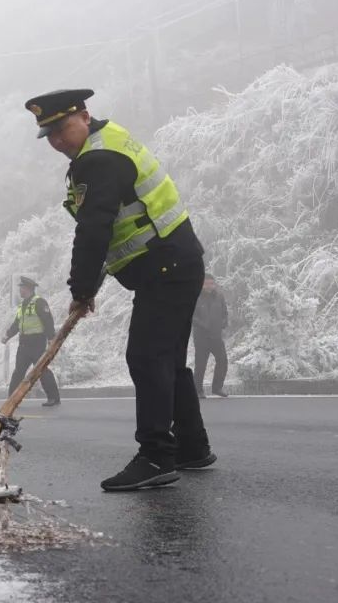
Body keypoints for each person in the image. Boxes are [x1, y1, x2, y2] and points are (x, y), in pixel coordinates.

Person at [25, 88, 216, 492]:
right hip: (176, 262)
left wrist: (80, 289)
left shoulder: (98, 159)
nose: (57, 141)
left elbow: (94, 228)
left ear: (84, 116)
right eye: (50, 135)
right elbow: (115, 226)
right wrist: (90, 284)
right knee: (168, 360)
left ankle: (156, 456)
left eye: (62, 129)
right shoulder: (107, 141)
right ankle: (192, 447)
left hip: (165, 266)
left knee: (146, 358)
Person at [2, 276, 61, 407]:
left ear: (28, 288)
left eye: (21, 288)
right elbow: (17, 324)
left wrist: (51, 338)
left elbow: (48, 321)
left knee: (41, 370)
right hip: (24, 344)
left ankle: (53, 398)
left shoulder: (39, 302)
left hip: (37, 343)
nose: (20, 290)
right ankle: (12, 399)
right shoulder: (22, 305)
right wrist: (7, 335)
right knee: (18, 372)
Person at [193, 274, 229, 398]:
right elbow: (191, 316)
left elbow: (225, 313)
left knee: (223, 361)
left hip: (216, 336)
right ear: (201, 284)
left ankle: (217, 388)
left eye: (211, 283)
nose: (209, 286)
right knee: (201, 364)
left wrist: (223, 323)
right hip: (201, 337)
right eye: (206, 283)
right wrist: (203, 325)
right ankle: (198, 390)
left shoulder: (219, 296)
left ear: (214, 284)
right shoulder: (195, 296)